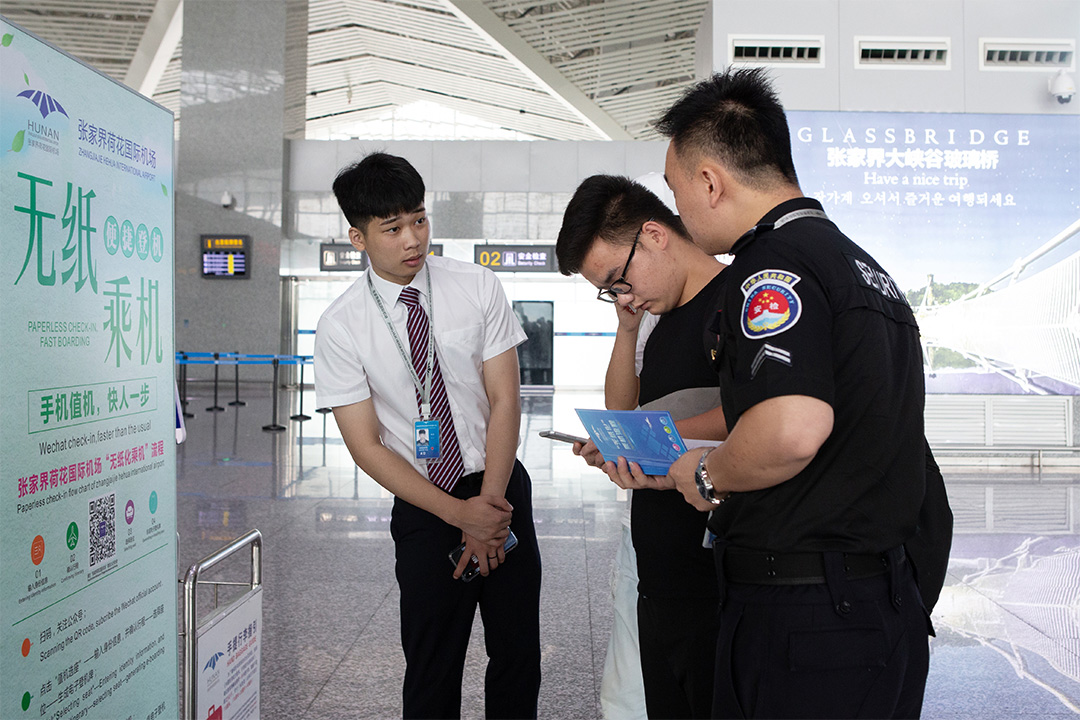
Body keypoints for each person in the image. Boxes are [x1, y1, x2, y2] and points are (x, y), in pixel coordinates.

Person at [598, 67, 950, 718]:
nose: (678, 214)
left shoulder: (773, 267)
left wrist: (706, 475)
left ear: (710, 182)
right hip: (881, 605)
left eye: (677, 194)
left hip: (807, 619)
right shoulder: (864, 269)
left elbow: (791, 427)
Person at [313, 152, 542, 719]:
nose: (412, 239)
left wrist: (489, 505)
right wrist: (458, 515)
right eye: (391, 228)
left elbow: (505, 398)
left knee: (517, 655)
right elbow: (366, 445)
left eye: (419, 219)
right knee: (432, 663)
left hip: (502, 487)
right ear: (357, 237)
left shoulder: (476, 285)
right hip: (424, 505)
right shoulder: (341, 325)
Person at [555, 173, 728, 718]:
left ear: (653, 235)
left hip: (716, 566)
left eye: (618, 280)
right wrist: (625, 328)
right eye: (611, 291)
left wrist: (659, 441)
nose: (624, 296)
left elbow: (763, 409)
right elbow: (625, 411)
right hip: (660, 570)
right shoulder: (658, 315)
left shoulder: (739, 301)